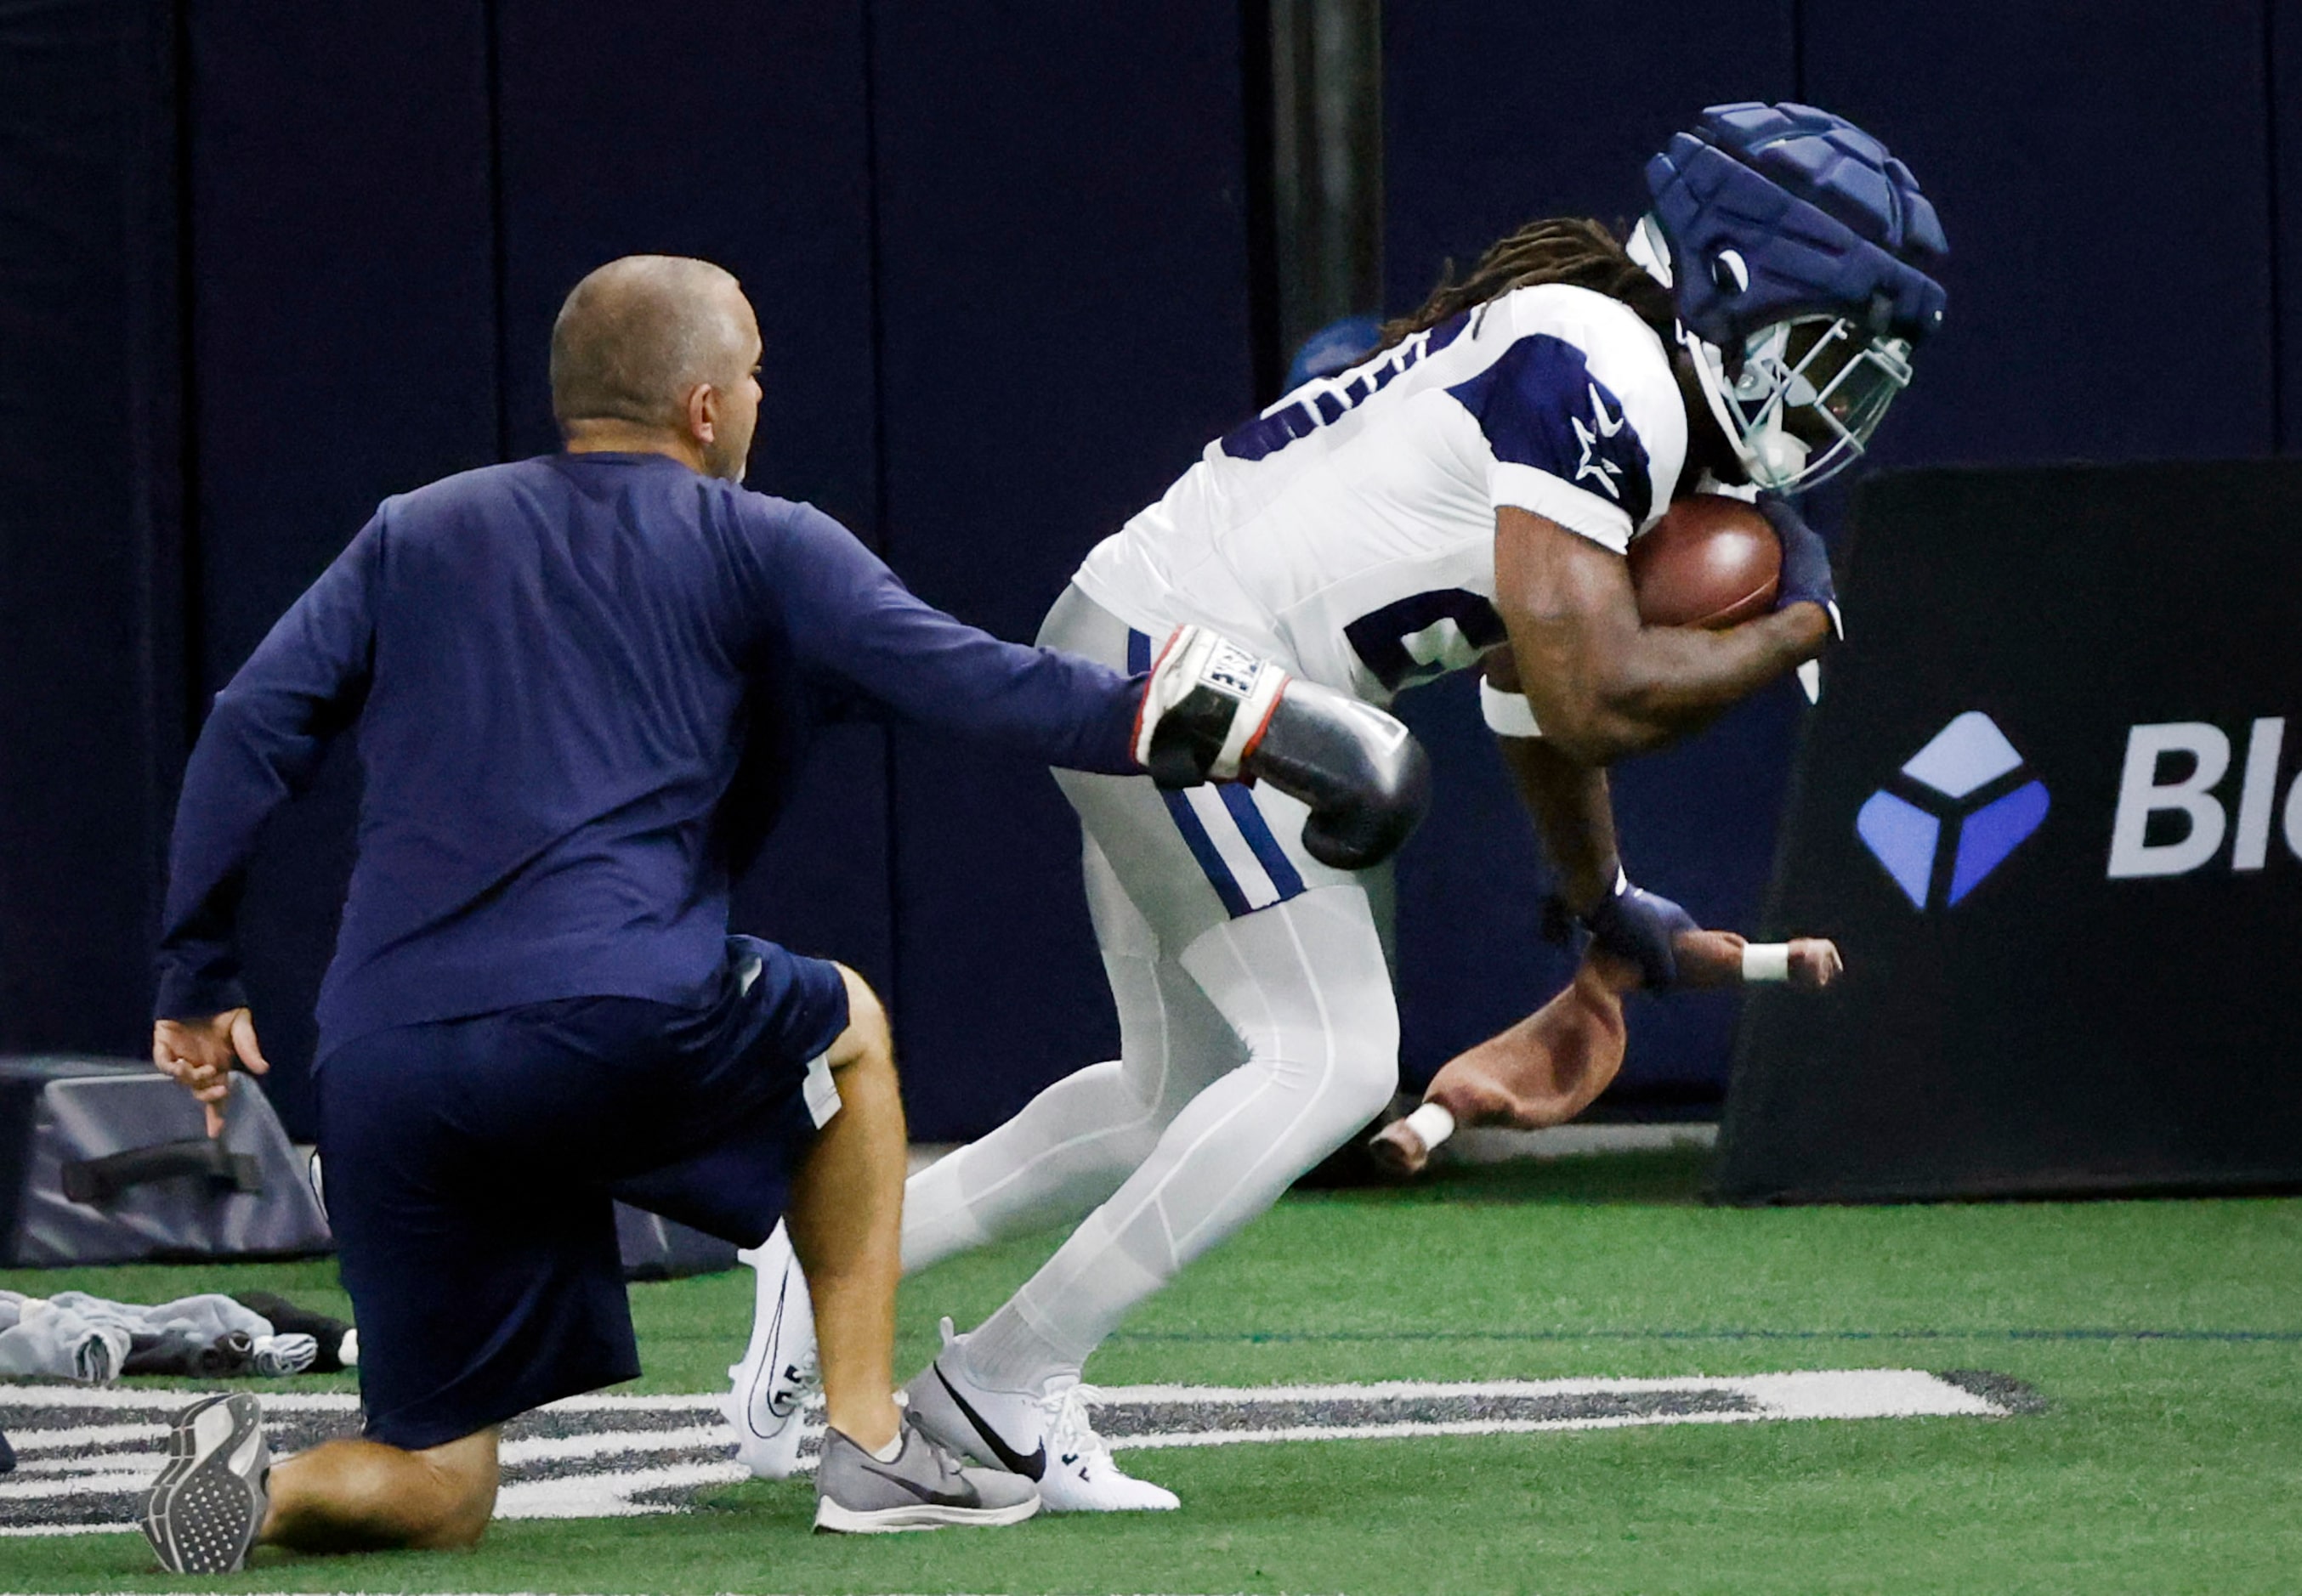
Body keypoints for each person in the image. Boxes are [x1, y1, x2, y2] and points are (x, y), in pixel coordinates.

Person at [725, 101, 1949, 1511]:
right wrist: (1800, 625)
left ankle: (809, 1266)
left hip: (1162, 644)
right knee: (1337, 1054)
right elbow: (1592, 691)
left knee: (1168, 1093)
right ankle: (998, 1389)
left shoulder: (1606, 358)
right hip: (1189, 667)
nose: (1830, 405)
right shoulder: (1604, 360)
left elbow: (1521, 687)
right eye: (1825, 355)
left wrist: (1602, 902)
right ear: (1732, 285)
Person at [139, 255, 1424, 1570]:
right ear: (704, 407)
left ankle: (267, 1483)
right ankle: (870, 1443)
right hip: (609, 1014)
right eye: (753, 370)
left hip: (384, 1060)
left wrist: (195, 977)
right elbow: (993, 688)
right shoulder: (763, 538)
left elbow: (249, 726)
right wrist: (1251, 723)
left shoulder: (415, 529)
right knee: (850, 1024)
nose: (762, 393)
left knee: (437, 1478)